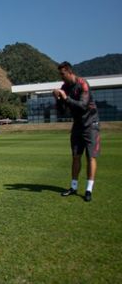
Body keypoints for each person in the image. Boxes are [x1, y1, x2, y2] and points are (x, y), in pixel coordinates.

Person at [53, 61, 101, 202]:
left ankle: (88, 189)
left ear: (69, 72)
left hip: (91, 124)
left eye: (62, 74)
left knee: (90, 156)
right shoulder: (64, 87)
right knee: (75, 156)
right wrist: (57, 99)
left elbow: (83, 106)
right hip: (78, 125)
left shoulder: (82, 84)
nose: (61, 77)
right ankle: (73, 187)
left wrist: (66, 98)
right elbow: (62, 111)